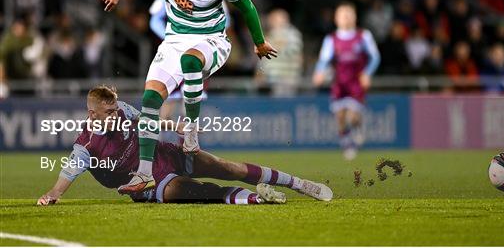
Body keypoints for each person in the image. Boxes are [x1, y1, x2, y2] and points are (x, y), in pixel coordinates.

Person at [102, 0, 277, 194]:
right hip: (175, 39)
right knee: (150, 99)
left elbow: (247, 6)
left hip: (213, 40)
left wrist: (259, 42)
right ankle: (144, 174)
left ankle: (191, 132)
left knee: (190, 60)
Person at [37, 86, 332, 206]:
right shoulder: (86, 146)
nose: (117, 114)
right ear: (93, 115)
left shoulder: (124, 110)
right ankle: (258, 199)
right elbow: (67, 174)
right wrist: (52, 195)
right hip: (147, 184)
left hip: (163, 155)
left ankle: (300, 183)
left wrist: (174, 126)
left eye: (116, 109)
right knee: (197, 191)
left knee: (227, 167)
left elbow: (146, 122)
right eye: (110, 112)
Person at [312, 2, 380, 160]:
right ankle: (347, 145)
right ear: (336, 19)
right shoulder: (331, 39)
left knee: (353, 116)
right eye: (343, 15)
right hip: (339, 83)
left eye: (349, 14)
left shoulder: (363, 36)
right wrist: (319, 72)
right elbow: (324, 59)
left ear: (355, 17)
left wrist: (367, 73)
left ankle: (358, 127)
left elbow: (375, 57)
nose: (346, 17)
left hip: (356, 83)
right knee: (341, 117)